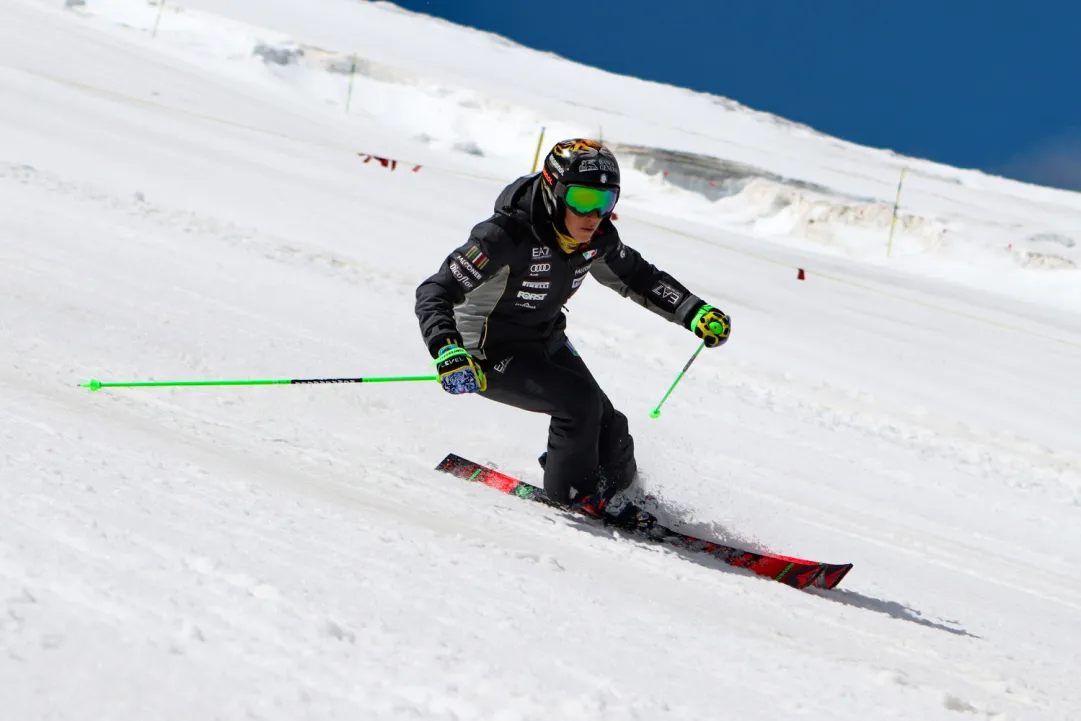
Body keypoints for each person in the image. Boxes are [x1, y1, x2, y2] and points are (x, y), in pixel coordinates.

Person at [415, 139, 730, 523]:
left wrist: (693, 311)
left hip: (544, 340)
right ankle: (575, 494)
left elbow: (638, 277)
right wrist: (447, 349)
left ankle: (618, 494)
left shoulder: (596, 239)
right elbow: (434, 291)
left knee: (610, 424)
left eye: (605, 201)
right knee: (578, 405)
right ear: (554, 190)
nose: (593, 214)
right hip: (483, 353)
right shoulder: (504, 237)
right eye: (582, 198)